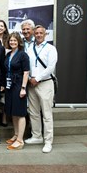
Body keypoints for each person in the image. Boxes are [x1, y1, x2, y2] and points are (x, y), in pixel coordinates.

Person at [25, 25, 58, 153]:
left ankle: (48, 141)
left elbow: (50, 67)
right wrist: (29, 79)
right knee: (33, 112)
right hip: (31, 84)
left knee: (46, 113)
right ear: (34, 34)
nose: (38, 35)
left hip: (44, 83)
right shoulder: (30, 48)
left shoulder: (51, 48)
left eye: (41, 33)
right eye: (36, 33)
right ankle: (36, 136)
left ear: (45, 34)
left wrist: (37, 78)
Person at [4, 32, 30, 150]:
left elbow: (26, 72)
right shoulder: (9, 54)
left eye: (14, 40)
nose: (12, 42)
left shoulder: (23, 55)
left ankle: (20, 140)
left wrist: (23, 88)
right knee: (13, 111)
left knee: (20, 112)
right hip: (10, 85)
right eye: (10, 41)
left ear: (19, 42)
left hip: (19, 85)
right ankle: (15, 135)